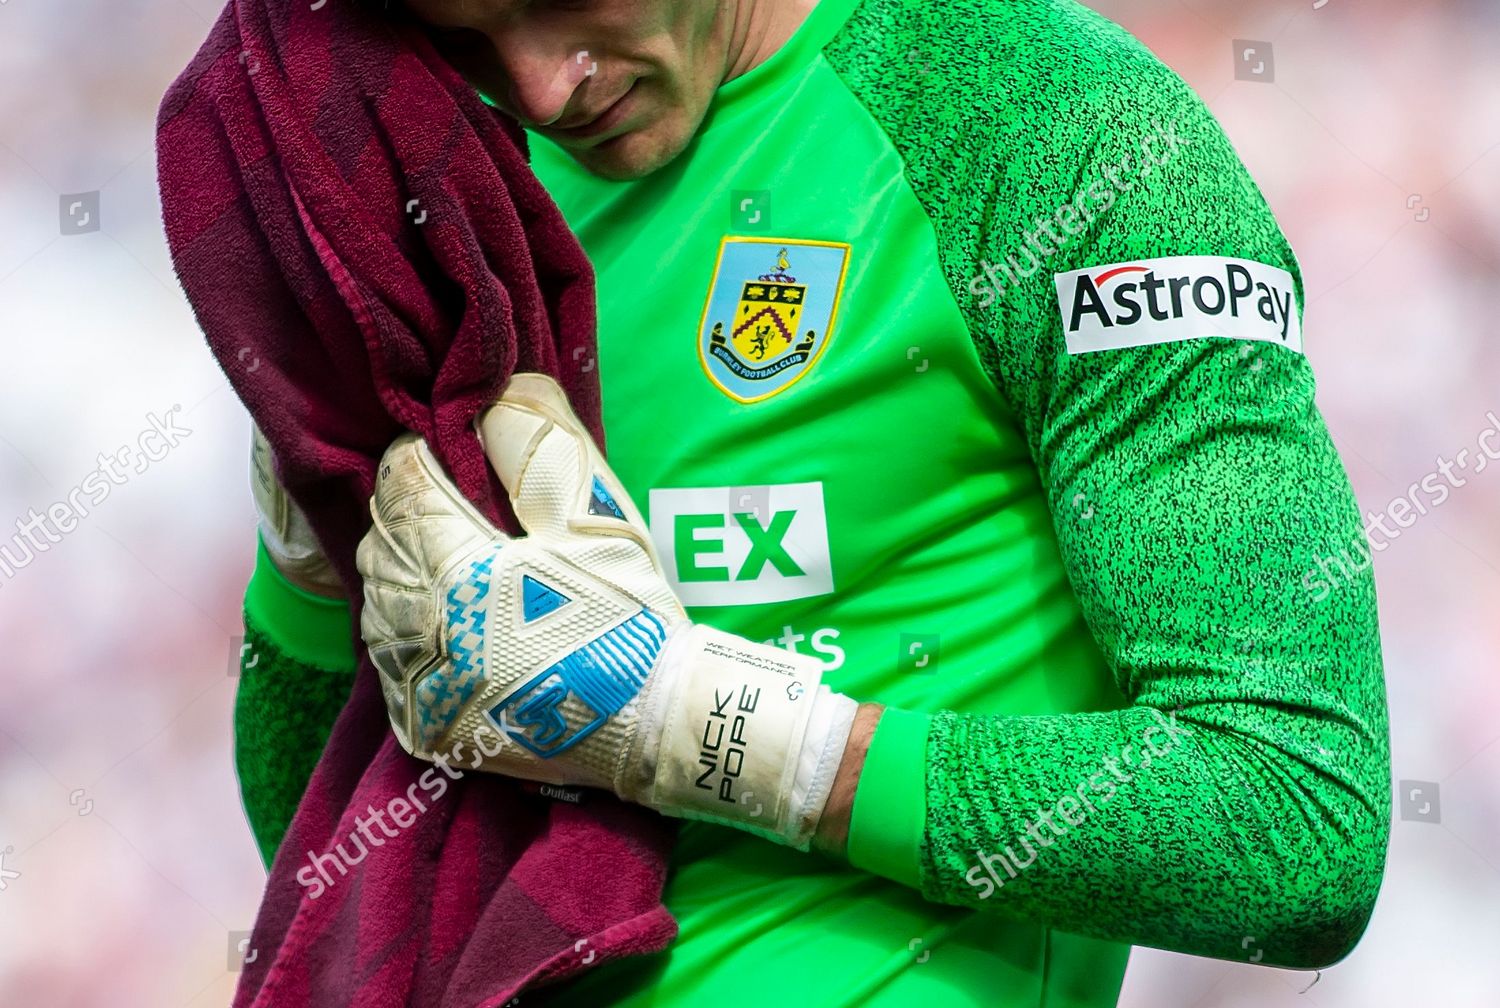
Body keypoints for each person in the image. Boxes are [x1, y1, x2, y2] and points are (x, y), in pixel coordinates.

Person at [237, 0, 1391, 1005]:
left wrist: (724, 735)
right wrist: (309, 550)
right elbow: (330, 862)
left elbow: (1293, 823)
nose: (542, 83)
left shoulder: (1045, 124)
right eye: (471, 32)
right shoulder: (457, 194)